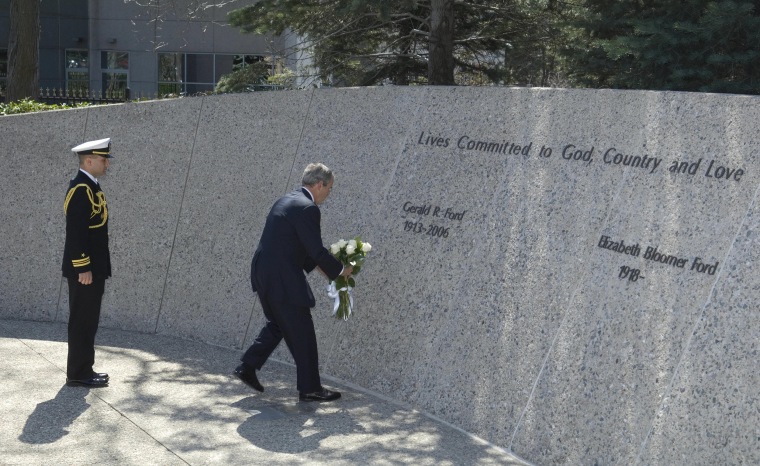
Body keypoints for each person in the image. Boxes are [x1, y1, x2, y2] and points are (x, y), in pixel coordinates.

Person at [235, 163, 352, 402]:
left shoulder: (286, 200)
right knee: (303, 332)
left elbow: (297, 246)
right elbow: (316, 251)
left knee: (278, 324)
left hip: (264, 273)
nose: (328, 193)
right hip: (282, 278)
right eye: (329, 188)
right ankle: (310, 388)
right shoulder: (308, 208)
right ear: (319, 184)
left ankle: (248, 366)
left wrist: (325, 267)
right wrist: (341, 269)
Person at [62, 138, 113, 387]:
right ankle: (78, 374)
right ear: (89, 161)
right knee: (82, 321)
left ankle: (84, 369)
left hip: (94, 268)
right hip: (85, 270)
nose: (107, 164)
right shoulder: (81, 189)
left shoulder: (92, 186)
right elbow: (76, 233)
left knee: (89, 320)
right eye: (104, 160)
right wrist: (83, 267)